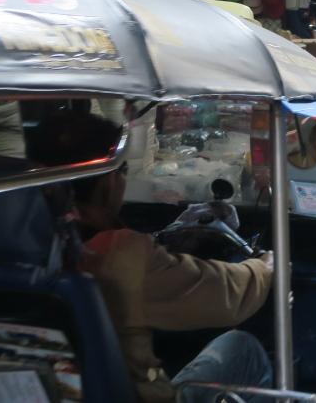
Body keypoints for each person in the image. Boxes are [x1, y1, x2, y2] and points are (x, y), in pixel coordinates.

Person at [32, 113, 274, 403]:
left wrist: (166, 238)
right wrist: (264, 267)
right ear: (108, 181)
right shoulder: (120, 254)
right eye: (122, 171)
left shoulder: (26, 242)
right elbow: (230, 295)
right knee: (243, 348)